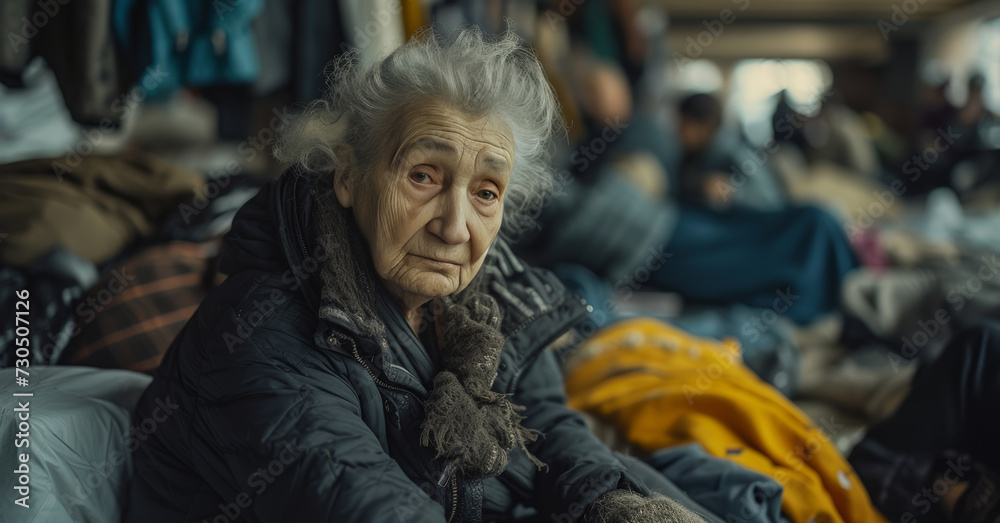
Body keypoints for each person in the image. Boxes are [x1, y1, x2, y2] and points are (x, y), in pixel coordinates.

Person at [124, 29, 715, 523]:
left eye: (487, 192)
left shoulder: (483, 302)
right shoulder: (264, 339)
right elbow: (365, 505)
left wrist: (614, 505)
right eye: (424, 177)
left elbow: (546, 426)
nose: (456, 227)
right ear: (349, 177)